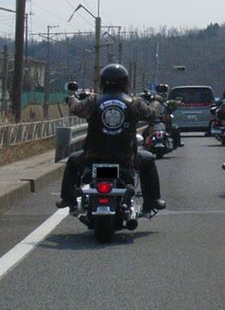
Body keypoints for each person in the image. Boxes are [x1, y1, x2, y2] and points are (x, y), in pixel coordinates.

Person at [56, 64, 167, 217]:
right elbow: (152, 113)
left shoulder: (93, 102)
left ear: (103, 82)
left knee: (73, 160)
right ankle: (152, 201)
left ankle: (68, 199)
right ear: (126, 82)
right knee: (148, 160)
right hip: (126, 158)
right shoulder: (134, 103)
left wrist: (72, 98)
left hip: (93, 157)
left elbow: (75, 108)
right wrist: (157, 100)